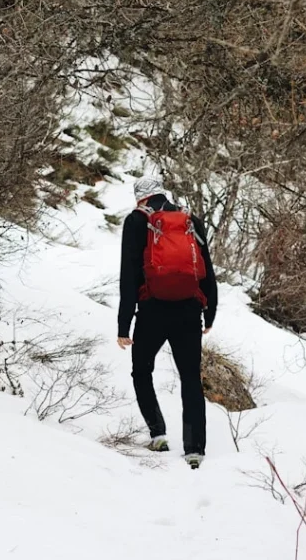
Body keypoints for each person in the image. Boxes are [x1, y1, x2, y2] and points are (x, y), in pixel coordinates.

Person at [117, 176, 218, 469]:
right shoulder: (190, 220)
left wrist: (124, 325)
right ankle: (194, 449)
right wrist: (209, 312)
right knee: (190, 378)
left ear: (141, 198)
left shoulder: (137, 221)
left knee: (141, 370)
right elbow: (207, 271)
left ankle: (158, 433)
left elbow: (129, 274)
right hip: (189, 310)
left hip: (152, 310)